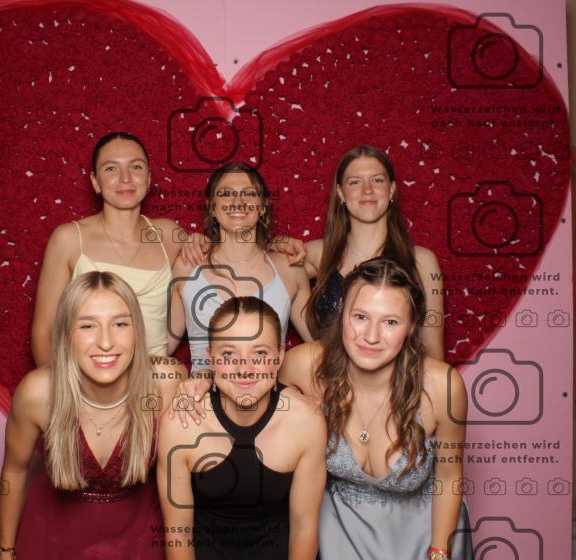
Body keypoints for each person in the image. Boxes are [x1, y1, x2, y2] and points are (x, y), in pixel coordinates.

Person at [0, 271, 186, 559]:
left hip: (140, 541)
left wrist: (204, 385)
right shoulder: (37, 393)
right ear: (66, 333)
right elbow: (15, 470)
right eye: (87, 326)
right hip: (51, 539)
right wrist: (5, 552)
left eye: (120, 324)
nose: (106, 342)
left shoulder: (165, 382)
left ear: (137, 330)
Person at [313, 258, 470, 560]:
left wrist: (439, 552)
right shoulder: (306, 368)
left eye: (390, 322)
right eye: (360, 316)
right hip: (338, 539)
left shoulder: (444, 386)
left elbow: (449, 477)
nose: (371, 336)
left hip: (422, 539)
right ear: (342, 310)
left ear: (411, 325)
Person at [158, 296, 327, 559]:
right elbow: (178, 535)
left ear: (279, 357)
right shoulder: (181, 424)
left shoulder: (306, 422)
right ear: (211, 358)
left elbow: (304, 527)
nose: (244, 369)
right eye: (229, 354)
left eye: (260, 354)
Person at [32, 131, 189, 364]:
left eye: (136, 167)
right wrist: (58, 385)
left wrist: (201, 242)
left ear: (149, 178)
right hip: (88, 377)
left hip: (155, 378)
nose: (125, 178)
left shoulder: (168, 235)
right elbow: (43, 332)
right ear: (95, 182)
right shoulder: (69, 239)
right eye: (111, 169)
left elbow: (215, 268)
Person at [168, 162, 313, 373]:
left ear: (262, 206)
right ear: (212, 207)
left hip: (269, 390)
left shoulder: (289, 269)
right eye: (226, 194)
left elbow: (319, 347)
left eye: (249, 194)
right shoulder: (187, 266)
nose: (238, 202)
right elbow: (164, 345)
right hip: (204, 390)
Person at [303, 146, 444, 358]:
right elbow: (262, 263)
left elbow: (433, 352)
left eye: (377, 180)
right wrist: (280, 243)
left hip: (398, 379)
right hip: (328, 376)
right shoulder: (318, 254)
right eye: (355, 182)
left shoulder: (422, 262)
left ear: (392, 189)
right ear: (340, 193)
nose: (367, 190)